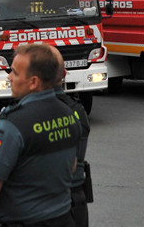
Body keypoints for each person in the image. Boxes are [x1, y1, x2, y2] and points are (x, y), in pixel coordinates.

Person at [0, 43, 81, 227]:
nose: (9, 77)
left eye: (15, 73)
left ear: (33, 82)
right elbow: (71, 167)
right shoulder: (70, 115)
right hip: (63, 219)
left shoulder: (11, 125)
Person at [50, 47, 91, 227]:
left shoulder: (25, 116)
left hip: (44, 205)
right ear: (65, 73)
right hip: (75, 200)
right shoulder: (77, 111)